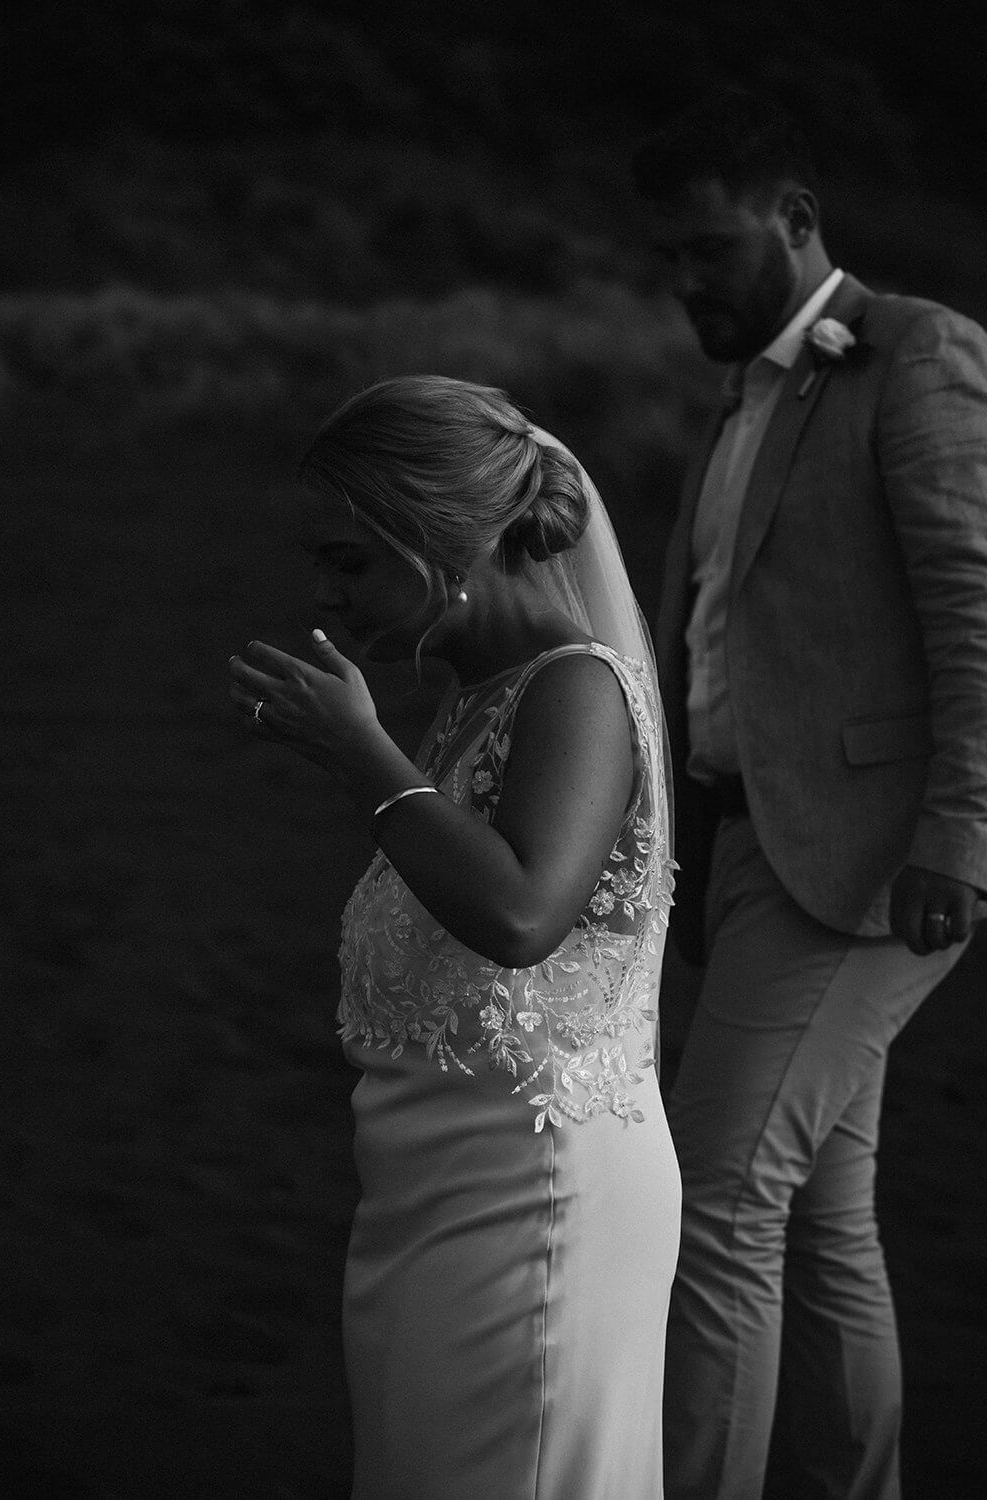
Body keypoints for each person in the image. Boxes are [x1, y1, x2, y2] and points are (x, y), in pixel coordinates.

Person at [228, 375, 681, 1499]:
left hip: (537, 1204)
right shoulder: (476, 698)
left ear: (445, 544)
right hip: (424, 1205)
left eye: (348, 559)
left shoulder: (575, 690)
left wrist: (362, 757)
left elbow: (523, 914)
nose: (323, 594)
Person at [632, 89, 987, 1500]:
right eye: (665, 256)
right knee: (823, 1216)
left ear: (794, 218)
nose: (681, 285)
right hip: (743, 845)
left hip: (869, 862)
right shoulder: (751, 391)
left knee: (713, 1204)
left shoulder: (920, 356)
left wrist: (961, 831)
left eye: (707, 250)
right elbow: (725, 627)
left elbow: (974, 607)